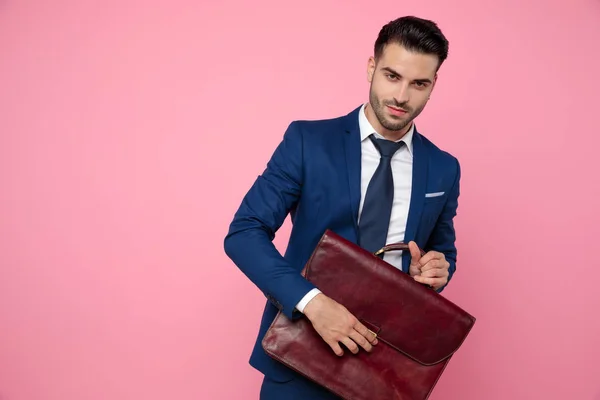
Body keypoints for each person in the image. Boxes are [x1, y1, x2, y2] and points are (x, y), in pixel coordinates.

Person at [224, 15, 460, 399]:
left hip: (387, 372)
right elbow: (244, 233)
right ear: (371, 67)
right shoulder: (308, 141)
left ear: (434, 85)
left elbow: (441, 250)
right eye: (392, 76)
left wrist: (437, 269)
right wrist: (312, 303)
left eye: (419, 83)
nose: (402, 96)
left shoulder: (444, 168)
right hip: (299, 356)